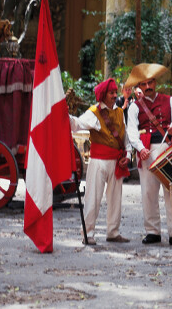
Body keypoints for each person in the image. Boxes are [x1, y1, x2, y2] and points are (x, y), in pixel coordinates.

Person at [125, 63, 172, 246]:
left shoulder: (169, 100)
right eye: (144, 84)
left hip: (168, 149)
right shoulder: (134, 107)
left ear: (155, 83)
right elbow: (131, 131)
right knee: (148, 192)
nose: (148, 87)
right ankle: (152, 231)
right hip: (147, 151)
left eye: (151, 83)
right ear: (140, 86)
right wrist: (140, 148)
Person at [69, 78, 131, 246]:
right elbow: (77, 124)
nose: (114, 95)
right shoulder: (93, 112)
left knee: (115, 199)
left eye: (115, 92)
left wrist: (129, 155)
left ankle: (113, 232)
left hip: (117, 161)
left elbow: (125, 136)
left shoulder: (119, 112)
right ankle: (87, 233)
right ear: (103, 95)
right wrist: (64, 115)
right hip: (98, 162)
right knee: (93, 198)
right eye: (111, 93)